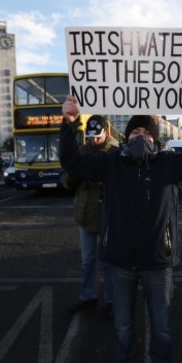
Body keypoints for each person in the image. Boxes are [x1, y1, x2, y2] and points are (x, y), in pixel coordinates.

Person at [60, 94, 182, 363]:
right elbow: (73, 162)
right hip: (119, 261)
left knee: (162, 326)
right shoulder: (110, 163)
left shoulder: (169, 163)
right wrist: (68, 124)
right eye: (135, 133)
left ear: (155, 140)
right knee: (122, 325)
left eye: (146, 134)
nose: (141, 138)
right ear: (125, 136)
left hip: (158, 262)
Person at [61, 115, 118, 319]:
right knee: (88, 261)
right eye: (90, 136)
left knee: (110, 262)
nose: (94, 140)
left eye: (98, 136)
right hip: (85, 214)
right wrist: (77, 173)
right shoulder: (81, 152)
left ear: (107, 133)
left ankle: (112, 301)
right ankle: (88, 297)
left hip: (109, 216)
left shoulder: (116, 153)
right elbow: (67, 182)